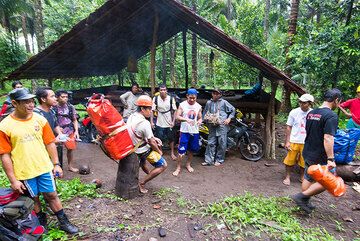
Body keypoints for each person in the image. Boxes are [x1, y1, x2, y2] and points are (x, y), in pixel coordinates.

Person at [0, 88, 79, 234]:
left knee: (52, 195)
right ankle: (41, 223)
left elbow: (50, 143)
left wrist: (56, 164)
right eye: (26, 102)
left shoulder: (40, 119)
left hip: (44, 167)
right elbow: (4, 154)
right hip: (24, 171)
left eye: (31, 101)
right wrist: (13, 180)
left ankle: (63, 222)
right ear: (14, 103)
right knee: (33, 198)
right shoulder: (5, 126)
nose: (31, 105)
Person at [292, 89, 342, 214]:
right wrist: (331, 159)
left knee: (308, 177)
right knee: (330, 180)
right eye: (339, 102)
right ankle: (301, 197)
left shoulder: (312, 113)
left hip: (308, 150)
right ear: (336, 100)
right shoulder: (331, 116)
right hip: (320, 154)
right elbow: (328, 137)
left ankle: (304, 201)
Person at [127, 95, 167, 194]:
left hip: (132, 147)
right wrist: (159, 151)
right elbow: (151, 142)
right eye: (149, 109)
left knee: (144, 163)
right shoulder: (144, 123)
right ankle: (142, 183)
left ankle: (148, 173)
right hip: (141, 150)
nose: (151, 111)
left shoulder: (132, 116)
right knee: (163, 165)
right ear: (142, 108)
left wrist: (154, 138)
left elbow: (140, 133)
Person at [282, 94, 314, 186]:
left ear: (310, 103)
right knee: (289, 160)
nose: (301, 104)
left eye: (304, 103)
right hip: (294, 139)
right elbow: (289, 127)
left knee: (304, 161)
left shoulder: (313, 113)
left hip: (306, 141)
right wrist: (287, 141)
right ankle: (287, 177)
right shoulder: (294, 112)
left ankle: (302, 177)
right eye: (300, 102)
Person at [202, 88, 235, 166]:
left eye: (217, 93)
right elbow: (205, 113)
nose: (215, 95)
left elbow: (233, 110)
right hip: (211, 125)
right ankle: (208, 160)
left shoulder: (224, 102)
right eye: (214, 93)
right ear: (212, 94)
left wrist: (229, 118)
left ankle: (219, 160)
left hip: (222, 126)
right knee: (210, 143)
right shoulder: (208, 103)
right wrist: (203, 121)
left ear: (220, 95)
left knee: (222, 143)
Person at [173, 88, 202, 176]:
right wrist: (186, 120)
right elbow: (177, 116)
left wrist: (199, 121)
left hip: (195, 131)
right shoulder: (182, 105)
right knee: (181, 151)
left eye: (194, 98)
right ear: (187, 96)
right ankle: (178, 167)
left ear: (196, 97)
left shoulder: (198, 106)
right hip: (184, 131)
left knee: (191, 150)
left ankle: (188, 164)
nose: (192, 100)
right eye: (190, 98)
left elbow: (200, 117)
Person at [54, 90, 79, 173]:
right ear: (57, 97)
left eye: (66, 97)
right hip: (56, 131)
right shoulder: (53, 108)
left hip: (69, 130)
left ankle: (70, 166)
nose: (65, 99)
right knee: (56, 149)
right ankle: (56, 167)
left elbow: (74, 120)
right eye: (62, 97)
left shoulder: (70, 107)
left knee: (70, 148)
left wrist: (76, 131)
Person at [150, 84, 177, 160]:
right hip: (159, 121)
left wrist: (173, 121)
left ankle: (172, 152)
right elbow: (152, 111)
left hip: (169, 122)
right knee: (159, 138)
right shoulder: (155, 99)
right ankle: (160, 151)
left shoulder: (171, 99)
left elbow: (175, 110)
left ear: (166, 91)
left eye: (164, 90)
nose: (163, 91)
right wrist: (151, 122)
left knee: (171, 138)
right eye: (161, 90)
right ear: (159, 91)